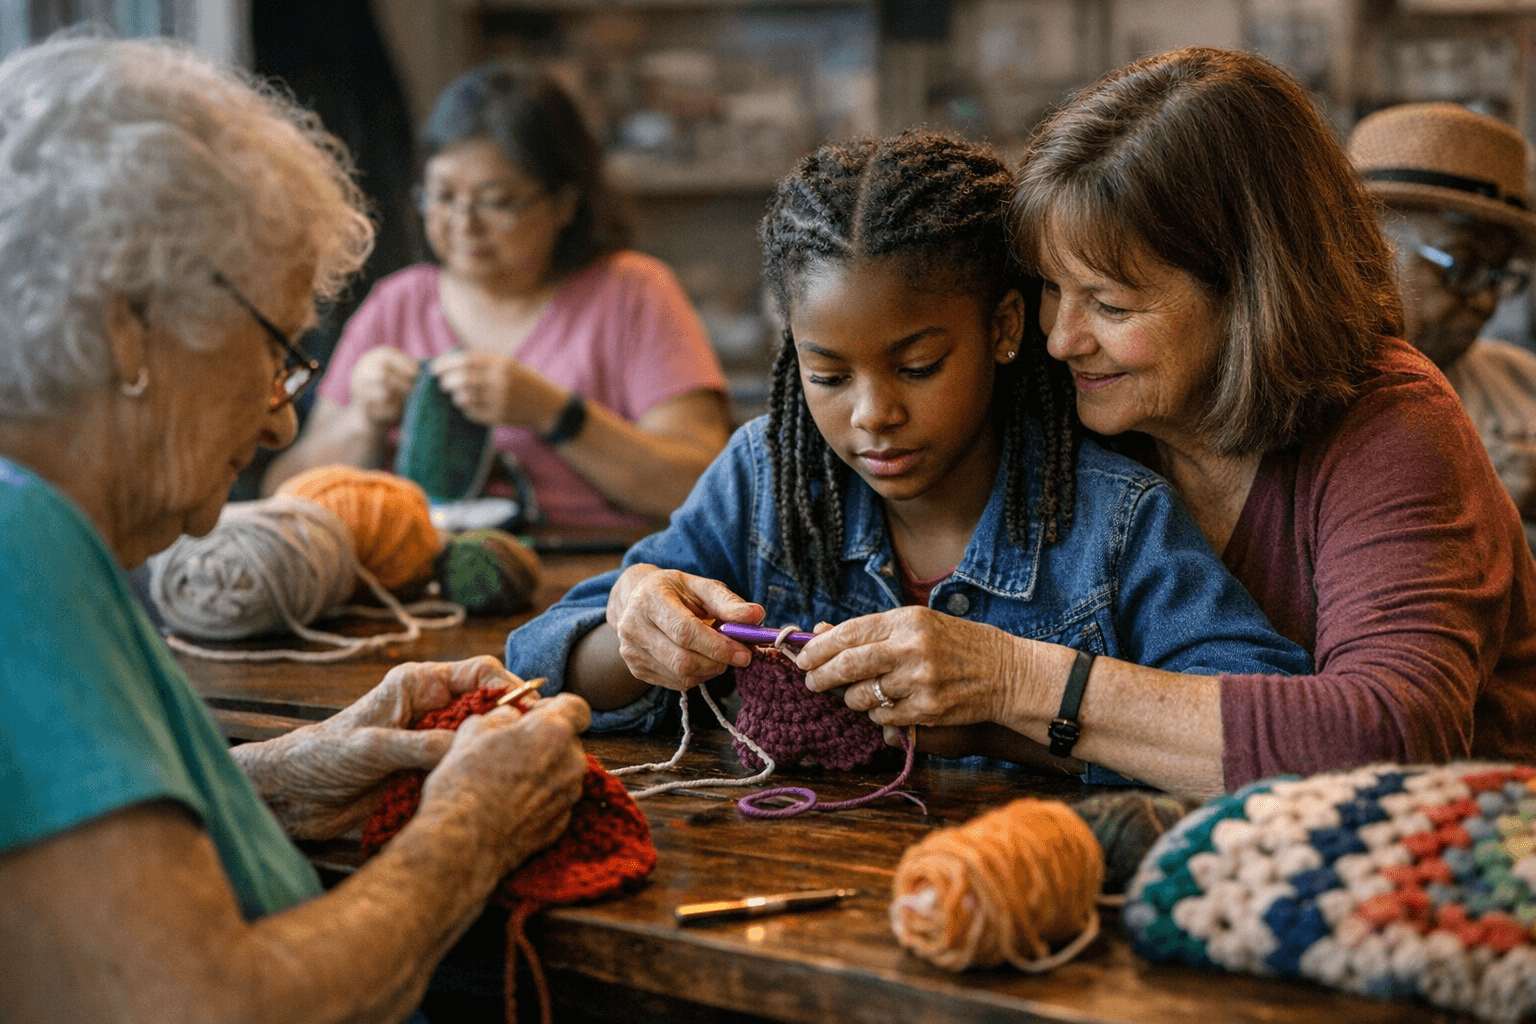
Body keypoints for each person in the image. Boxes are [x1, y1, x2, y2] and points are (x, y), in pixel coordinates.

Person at [0, 34, 590, 1022]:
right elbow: (206, 1006)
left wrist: (287, 776)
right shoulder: (22, 550)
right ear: (127, 325)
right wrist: (471, 832)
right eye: (276, 348)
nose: (282, 416)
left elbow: (67, 856)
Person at [503, 130, 1312, 795]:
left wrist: (1001, 718)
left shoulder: (1112, 517)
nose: (872, 414)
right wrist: (637, 622)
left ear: (1003, 329)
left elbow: (1266, 731)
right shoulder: (769, 478)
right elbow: (538, 662)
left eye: (918, 366)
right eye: (827, 375)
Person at [990, 45, 1536, 795]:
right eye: (1053, 289)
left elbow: (1391, 733)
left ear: (1252, 293)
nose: (1061, 339)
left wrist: (1014, 684)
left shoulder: (1394, 426)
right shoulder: (1083, 409)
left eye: (1112, 305)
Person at [262, 60, 733, 528]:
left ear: (565, 203)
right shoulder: (397, 303)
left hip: (598, 576)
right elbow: (285, 495)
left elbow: (701, 486)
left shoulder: (634, 292)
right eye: (443, 196)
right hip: (419, 579)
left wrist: (556, 414)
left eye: (496, 201)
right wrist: (362, 421)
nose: (465, 224)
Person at [1348, 101, 1536, 553]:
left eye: (1498, 273)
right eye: (1464, 266)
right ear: (1364, 244)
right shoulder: (1300, 398)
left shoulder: (1522, 379)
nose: (1486, 300)